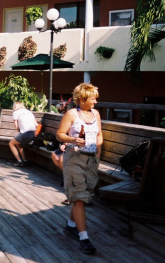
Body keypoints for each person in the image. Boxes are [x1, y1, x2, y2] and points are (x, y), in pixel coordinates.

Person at [56, 82, 102, 255]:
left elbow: (99, 136)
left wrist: (97, 156)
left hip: (91, 160)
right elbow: (59, 134)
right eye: (93, 99)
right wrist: (73, 140)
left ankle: (71, 226)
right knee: (79, 197)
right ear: (82, 99)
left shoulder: (96, 114)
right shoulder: (72, 114)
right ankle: (84, 238)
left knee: (83, 196)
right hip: (74, 158)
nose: (96, 102)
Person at [9, 101, 38, 167]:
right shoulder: (29, 112)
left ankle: (19, 161)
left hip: (25, 134)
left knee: (11, 144)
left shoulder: (16, 112)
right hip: (33, 133)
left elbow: (16, 127)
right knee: (18, 143)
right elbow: (36, 124)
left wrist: (21, 130)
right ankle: (24, 160)